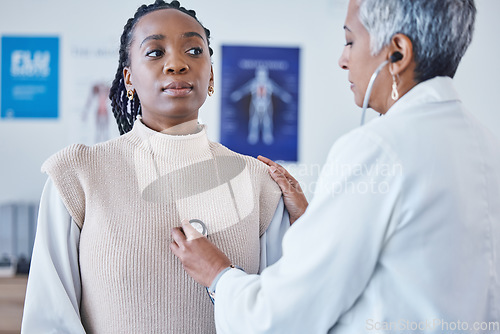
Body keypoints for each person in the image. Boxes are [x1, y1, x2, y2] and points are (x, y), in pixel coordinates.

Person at [171, 0, 500, 333]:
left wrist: (219, 275)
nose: (343, 60)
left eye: (350, 41)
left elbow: (283, 317)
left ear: (398, 52)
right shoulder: (485, 143)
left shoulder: (378, 149)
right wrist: (315, 220)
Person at [21, 1, 289, 333]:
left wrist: (308, 227)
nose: (177, 64)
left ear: (212, 76)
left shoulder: (258, 182)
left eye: (193, 50)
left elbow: (282, 315)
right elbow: (49, 321)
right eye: (154, 52)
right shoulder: (77, 174)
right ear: (128, 79)